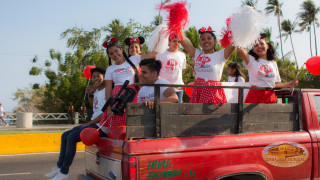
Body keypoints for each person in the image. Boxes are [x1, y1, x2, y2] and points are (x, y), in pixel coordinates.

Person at [45, 67, 107, 180]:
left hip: (100, 126)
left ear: (104, 76)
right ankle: (59, 167)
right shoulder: (97, 90)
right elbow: (95, 106)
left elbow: (105, 114)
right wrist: (89, 94)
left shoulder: (107, 90)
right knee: (64, 135)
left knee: (72, 137)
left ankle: (64, 173)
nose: (96, 78)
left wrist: (89, 124)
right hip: (92, 123)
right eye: (93, 77)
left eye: (98, 76)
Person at [180, 26, 235, 107]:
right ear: (200, 43)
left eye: (209, 38)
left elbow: (236, 42)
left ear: (215, 41)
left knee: (212, 118)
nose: (206, 41)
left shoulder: (221, 54)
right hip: (198, 91)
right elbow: (182, 40)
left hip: (213, 92)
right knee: (197, 116)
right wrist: (176, 25)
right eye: (203, 39)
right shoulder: (197, 54)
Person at [237, 33, 298, 103]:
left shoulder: (273, 63)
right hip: (255, 98)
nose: (259, 46)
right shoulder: (251, 60)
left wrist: (289, 84)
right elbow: (240, 48)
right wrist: (241, 33)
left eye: (262, 44)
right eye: (256, 45)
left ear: (267, 46)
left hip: (270, 97)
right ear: (253, 50)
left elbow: (275, 84)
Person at [100, 38, 140, 134]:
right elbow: (108, 90)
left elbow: (152, 55)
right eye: (111, 54)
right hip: (117, 99)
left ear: (121, 50)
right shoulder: (110, 69)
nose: (115, 55)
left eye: (116, 51)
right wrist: (109, 107)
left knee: (134, 123)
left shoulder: (133, 60)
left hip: (133, 95)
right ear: (109, 56)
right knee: (118, 128)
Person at [156, 35, 186, 103]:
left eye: (179, 42)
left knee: (178, 112)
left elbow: (180, 71)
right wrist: (169, 84)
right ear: (169, 42)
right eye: (174, 41)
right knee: (162, 111)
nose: (177, 44)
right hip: (163, 89)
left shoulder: (182, 55)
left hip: (178, 89)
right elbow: (156, 73)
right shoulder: (160, 54)